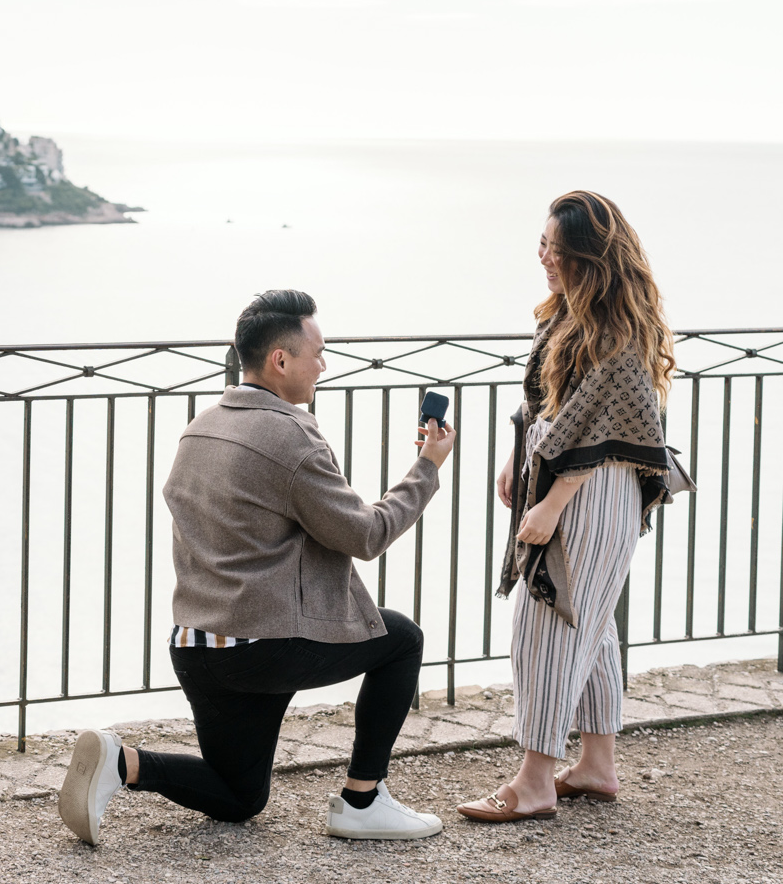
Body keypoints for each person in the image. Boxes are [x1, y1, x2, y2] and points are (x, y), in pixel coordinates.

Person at [57, 289, 457, 845]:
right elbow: (364, 535)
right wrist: (427, 467)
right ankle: (362, 800)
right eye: (318, 351)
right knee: (402, 639)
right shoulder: (291, 435)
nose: (324, 364)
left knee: (239, 796)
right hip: (262, 647)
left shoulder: (202, 424)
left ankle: (122, 764)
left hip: (198, 645)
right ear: (281, 360)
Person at [459, 190, 678, 823]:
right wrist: (515, 455)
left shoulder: (613, 331)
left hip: (592, 491)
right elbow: (549, 406)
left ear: (585, 256)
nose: (542, 255)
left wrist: (551, 501)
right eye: (543, 244)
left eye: (553, 247)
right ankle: (597, 764)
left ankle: (534, 781)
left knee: (545, 622)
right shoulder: (569, 315)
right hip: (577, 485)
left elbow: (608, 428)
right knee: (594, 624)